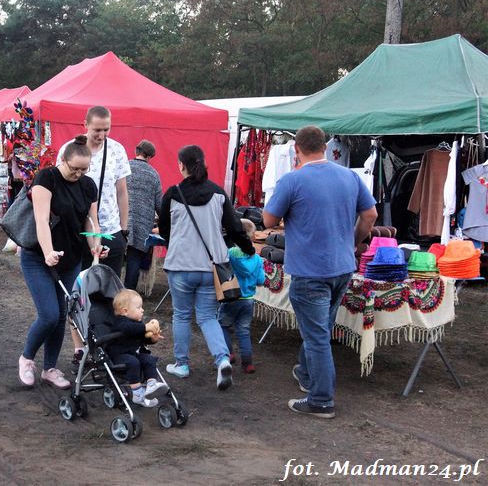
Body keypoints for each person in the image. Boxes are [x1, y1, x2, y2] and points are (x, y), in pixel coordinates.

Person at [263, 125, 377, 419]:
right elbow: (370, 215)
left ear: (296, 149)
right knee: (320, 328)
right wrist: (353, 242)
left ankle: (321, 400)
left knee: (317, 336)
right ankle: (305, 373)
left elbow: (267, 220)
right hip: (342, 267)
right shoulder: (350, 176)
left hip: (310, 271)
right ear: (326, 147)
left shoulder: (292, 180)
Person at [158, 144, 255, 391]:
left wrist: (175, 244)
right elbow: (235, 228)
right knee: (208, 317)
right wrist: (249, 248)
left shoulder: (172, 194)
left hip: (181, 265)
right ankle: (222, 359)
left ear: (181, 165)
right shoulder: (219, 193)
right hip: (212, 267)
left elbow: (165, 229)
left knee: (181, 315)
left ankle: (182, 364)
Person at [18, 135, 105, 390]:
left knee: (61, 316)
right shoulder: (47, 178)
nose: (78, 174)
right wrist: (48, 252)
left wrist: (95, 245)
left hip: (71, 259)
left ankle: (50, 369)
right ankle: (26, 359)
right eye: (74, 168)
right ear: (63, 161)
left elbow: (91, 222)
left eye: (84, 169)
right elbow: (41, 220)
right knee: (49, 315)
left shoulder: (88, 185)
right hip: (38, 257)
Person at [57, 106, 130, 276]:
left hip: (110, 230)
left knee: (110, 287)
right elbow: (60, 189)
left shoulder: (117, 150)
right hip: (77, 231)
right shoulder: (69, 149)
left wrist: (124, 229)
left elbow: (122, 191)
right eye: (97, 130)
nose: (102, 135)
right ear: (85, 125)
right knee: (79, 286)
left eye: (106, 129)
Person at [106, 289, 170, 407]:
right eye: (139, 307)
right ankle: (137, 393)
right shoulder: (120, 322)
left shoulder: (137, 323)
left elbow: (142, 339)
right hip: (118, 355)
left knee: (149, 359)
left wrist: (153, 339)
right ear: (125, 311)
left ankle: (151, 384)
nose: (142, 310)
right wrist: (145, 327)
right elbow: (128, 329)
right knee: (133, 362)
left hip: (133, 353)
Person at [218, 219, 264, 374]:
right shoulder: (257, 258)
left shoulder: (230, 253)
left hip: (232, 296)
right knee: (244, 331)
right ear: (253, 236)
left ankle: (228, 354)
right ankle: (248, 363)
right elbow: (261, 280)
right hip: (248, 300)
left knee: (223, 325)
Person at [124, 140, 162, 290]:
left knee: (115, 258)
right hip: (143, 225)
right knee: (134, 260)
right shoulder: (154, 174)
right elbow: (159, 204)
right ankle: (129, 294)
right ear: (150, 156)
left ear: (136, 151)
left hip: (120, 220)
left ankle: (111, 295)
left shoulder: (124, 167)